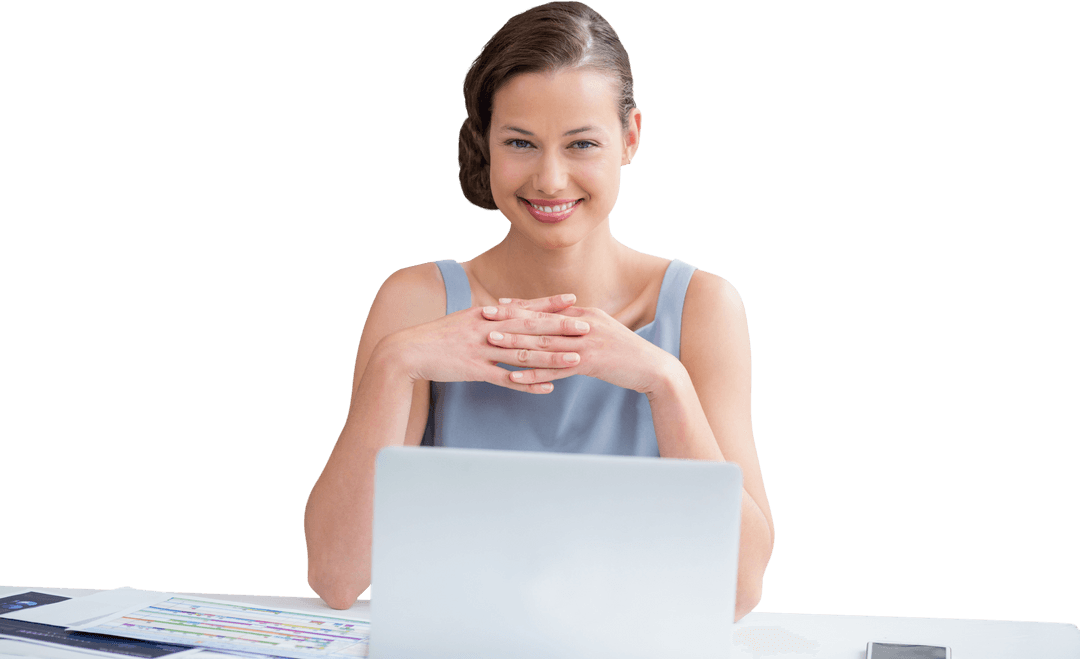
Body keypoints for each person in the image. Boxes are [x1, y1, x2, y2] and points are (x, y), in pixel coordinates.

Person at [303, 1, 774, 622]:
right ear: (487, 144)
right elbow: (337, 577)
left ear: (630, 137)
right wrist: (397, 363)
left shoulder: (702, 306)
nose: (550, 179)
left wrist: (663, 381)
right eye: (520, 143)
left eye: (582, 143)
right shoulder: (417, 301)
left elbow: (738, 593)